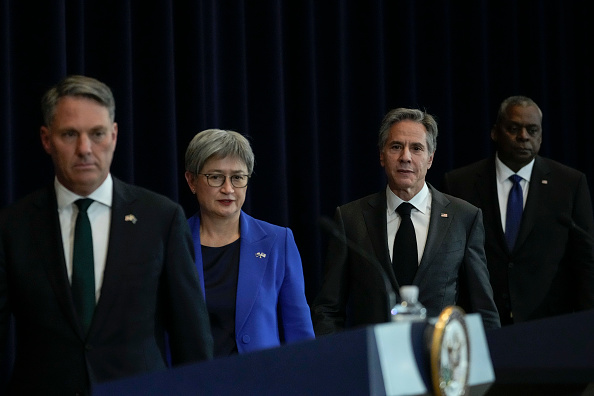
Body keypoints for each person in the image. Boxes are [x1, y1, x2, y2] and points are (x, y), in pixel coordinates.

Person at [0, 75, 213, 395]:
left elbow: (191, 337)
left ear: (113, 135)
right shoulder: (12, 226)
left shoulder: (160, 217)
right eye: (69, 134)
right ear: (46, 139)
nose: (84, 149)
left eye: (97, 134)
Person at [312, 107, 500, 334]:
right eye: (396, 147)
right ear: (382, 155)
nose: (405, 157)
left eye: (417, 148)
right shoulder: (351, 218)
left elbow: (483, 310)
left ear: (430, 158)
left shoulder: (464, 217)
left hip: (439, 362)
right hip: (373, 361)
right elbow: (329, 309)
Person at [442, 95, 594, 325]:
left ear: (541, 137)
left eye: (532, 130)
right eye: (513, 128)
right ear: (495, 132)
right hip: (481, 323)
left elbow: (586, 261)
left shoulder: (569, 184)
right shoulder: (460, 183)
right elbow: (448, 260)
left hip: (550, 324)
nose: (523, 137)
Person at [183, 128, 315, 357]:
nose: (228, 189)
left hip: (261, 382)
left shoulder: (277, 241)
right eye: (215, 177)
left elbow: (299, 332)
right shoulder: (173, 242)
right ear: (192, 181)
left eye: (237, 177)